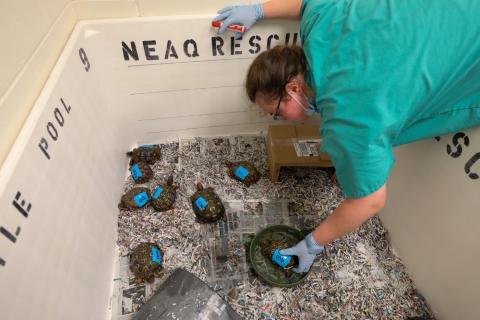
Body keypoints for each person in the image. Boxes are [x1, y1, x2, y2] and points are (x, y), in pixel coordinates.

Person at [213, 0, 480, 273]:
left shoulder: (346, 118)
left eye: (277, 112)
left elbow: (370, 200)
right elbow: (306, 4)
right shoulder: (320, 23)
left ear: (293, 87)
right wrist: (258, 10)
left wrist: (312, 244)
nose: (281, 120)